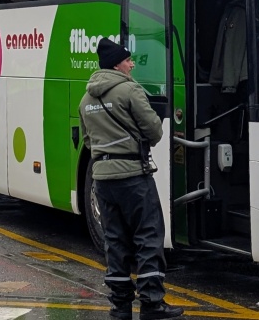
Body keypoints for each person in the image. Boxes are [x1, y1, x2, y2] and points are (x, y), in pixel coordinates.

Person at [78, 38, 182, 320]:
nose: (132, 64)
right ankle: (152, 302)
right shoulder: (130, 90)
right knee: (148, 235)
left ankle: (120, 305)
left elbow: (88, 141)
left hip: (102, 179)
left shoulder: (86, 100)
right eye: (127, 60)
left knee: (114, 239)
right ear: (116, 65)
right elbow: (154, 130)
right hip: (133, 176)